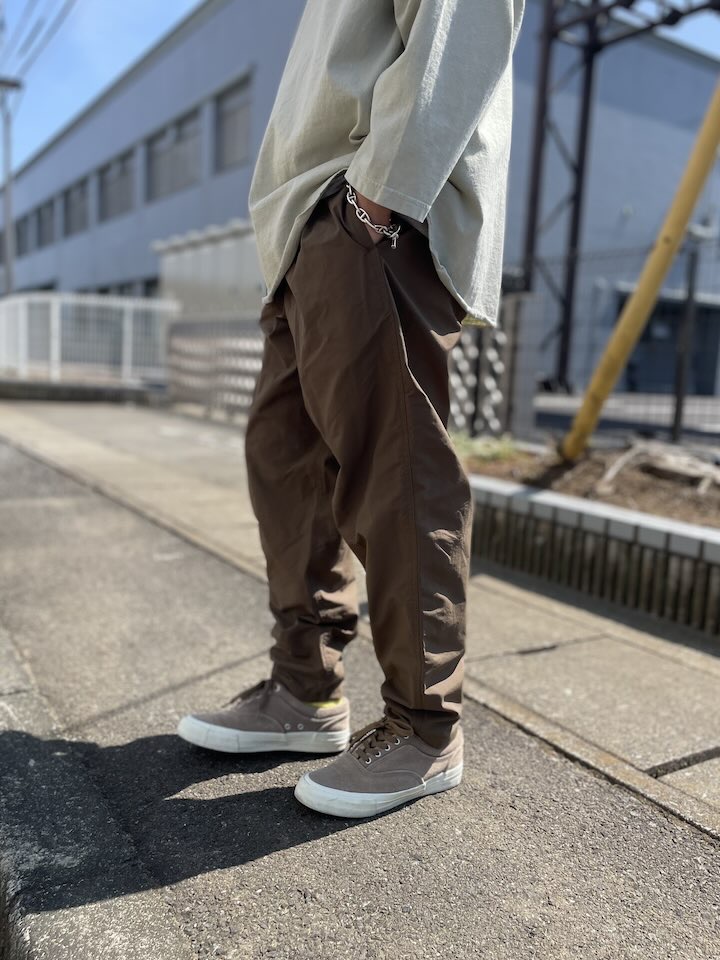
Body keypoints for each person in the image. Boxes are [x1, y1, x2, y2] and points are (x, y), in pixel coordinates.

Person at [178, 0, 525, 818]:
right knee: (286, 464)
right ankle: (304, 690)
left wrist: (375, 200)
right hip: (308, 226)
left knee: (393, 468)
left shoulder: (370, 212)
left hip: (374, 216)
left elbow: (461, 30)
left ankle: (423, 726)